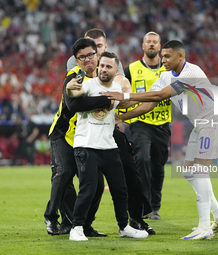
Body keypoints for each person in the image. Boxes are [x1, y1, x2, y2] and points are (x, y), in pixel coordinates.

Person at [104, 40, 218, 240]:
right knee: (190, 172)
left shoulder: (192, 72)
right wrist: (120, 115)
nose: (162, 59)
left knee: (199, 170)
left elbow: (159, 95)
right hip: (201, 124)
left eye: (167, 56)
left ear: (181, 56)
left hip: (215, 120)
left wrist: (124, 95)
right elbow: (149, 104)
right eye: (162, 56)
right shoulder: (165, 76)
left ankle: (204, 227)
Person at [67, 28, 155, 235]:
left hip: (109, 144)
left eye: (108, 66)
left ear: (115, 70)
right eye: (102, 65)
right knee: (89, 188)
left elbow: (132, 96)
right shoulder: (85, 80)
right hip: (86, 143)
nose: (103, 68)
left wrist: (125, 104)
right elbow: (74, 94)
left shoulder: (119, 85)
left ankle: (127, 225)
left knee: (121, 187)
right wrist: (73, 88)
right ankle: (77, 227)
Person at [44, 38, 111, 237]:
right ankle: (51, 217)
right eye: (82, 57)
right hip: (63, 133)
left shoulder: (104, 76)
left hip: (85, 136)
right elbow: (73, 106)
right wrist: (106, 100)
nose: (88, 60)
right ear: (76, 60)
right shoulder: (74, 76)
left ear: (97, 54)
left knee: (97, 184)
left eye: (91, 54)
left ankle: (82, 224)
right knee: (64, 173)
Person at [122, 31, 170, 220]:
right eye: (148, 42)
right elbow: (121, 90)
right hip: (140, 123)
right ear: (142, 46)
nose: (151, 44)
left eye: (154, 42)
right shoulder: (131, 69)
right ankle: (145, 206)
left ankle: (155, 206)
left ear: (160, 46)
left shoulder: (169, 70)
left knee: (158, 166)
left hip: (162, 124)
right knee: (141, 158)